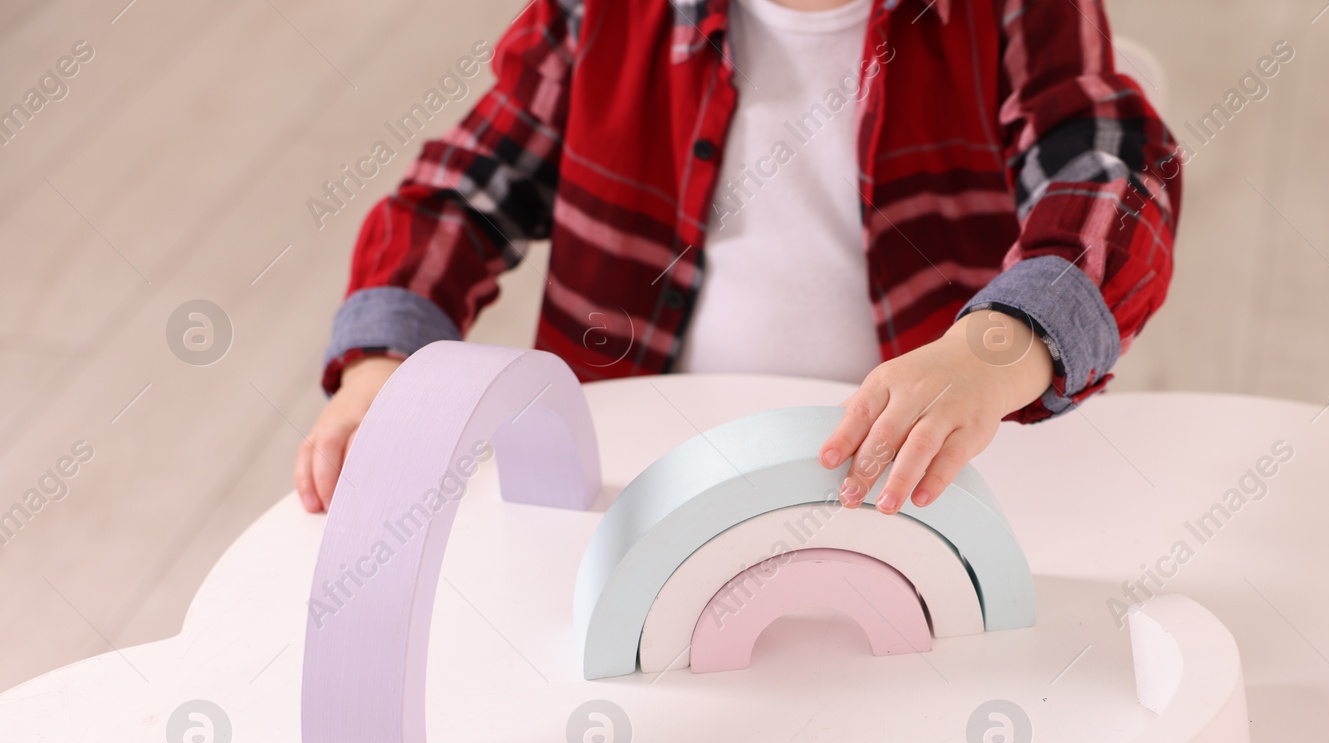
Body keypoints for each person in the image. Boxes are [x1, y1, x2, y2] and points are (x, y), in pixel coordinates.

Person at [295, 0, 1180, 517]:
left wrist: (997, 350)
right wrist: (384, 364)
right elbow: (459, 193)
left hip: (913, 484)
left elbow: (1113, 173)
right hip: (637, 482)